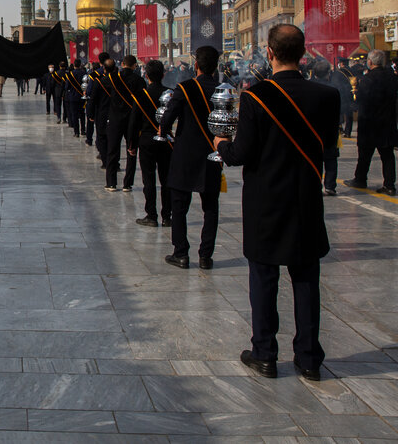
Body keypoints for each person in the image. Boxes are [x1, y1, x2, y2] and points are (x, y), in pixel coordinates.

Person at [216, 25, 338, 381]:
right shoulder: (327, 96)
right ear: (303, 53)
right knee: (306, 279)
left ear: (269, 53)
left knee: (264, 278)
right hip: (305, 199)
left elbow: (240, 154)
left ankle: (265, 353)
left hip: (265, 201)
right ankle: (309, 357)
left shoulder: (256, 97)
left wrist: (220, 143)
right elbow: (328, 149)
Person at [158, 45, 222, 270]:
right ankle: (206, 256)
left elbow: (167, 119)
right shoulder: (223, 91)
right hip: (212, 154)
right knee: (211, 207)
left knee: (179, 206)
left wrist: (163, 132)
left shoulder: (184, 88)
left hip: (185, 154)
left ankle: (181, 253)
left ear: (196, 65)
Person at [344, 49, 398, 195]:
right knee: (387, 155)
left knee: (365, 154)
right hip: (387, 122)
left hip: (369, 123)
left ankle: (360, 179)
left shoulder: (368, 79)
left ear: (370, 62)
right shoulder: (392, 77)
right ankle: (389, 185)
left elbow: (362, 100)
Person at [128, 59, 172, 226]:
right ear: (163, 74)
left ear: (146, 75)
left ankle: (151, 215)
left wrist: (132, 145)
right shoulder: (170, 93)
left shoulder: (141, 96)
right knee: (166, 178)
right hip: (166, 139)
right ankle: (167, 215)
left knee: (149, 179)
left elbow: (133, 123)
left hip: (146, 140)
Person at [105, 55, 142, 192]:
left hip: (115, 118)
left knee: (112, 150)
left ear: (122, 64)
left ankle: (111, 182)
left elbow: (104, 84)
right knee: (131, 150)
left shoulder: (114, 78)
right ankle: (128, 183)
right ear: (134, 65)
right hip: (132, 119)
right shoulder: (139, 80)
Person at [310, 60, 341, 196]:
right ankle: (330, 185)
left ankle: (314, 184)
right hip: (330, 128)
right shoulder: (333, 90)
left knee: (314, 159)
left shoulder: (308, 88)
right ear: (328, 74)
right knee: (331, 159)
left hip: (312, 129)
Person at [86, 57, 114, 168]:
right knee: (113, 138)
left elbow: (92, 98)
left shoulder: (98, 81)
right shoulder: (119, 80)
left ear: (104, 68)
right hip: (115, 113)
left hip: (101, 111)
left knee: (102, 136)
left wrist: (90, 113)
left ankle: (105, 161)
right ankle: (113, 162)